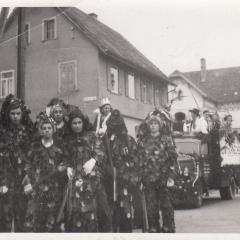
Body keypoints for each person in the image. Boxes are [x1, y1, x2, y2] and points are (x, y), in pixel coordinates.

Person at [61, 109, 112, 232]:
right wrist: (68, 166)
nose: (77, 125)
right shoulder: (68, 140)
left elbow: (101, 152)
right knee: (76, 211)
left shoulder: (92, 135)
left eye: (79, 122)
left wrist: (94, 160)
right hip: (75, 178)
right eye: (74, 123)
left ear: (83, 123)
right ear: (70, 125)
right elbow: (66, 157)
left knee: (99, 209)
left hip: (93, 177)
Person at [137, 109, 178, 233]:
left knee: (167, 208)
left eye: (155, 123)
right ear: (148, 126)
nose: (153, 125)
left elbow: (173, 160)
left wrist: (171, 177)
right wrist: (140, 179)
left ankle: (168, 231)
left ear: (160, 125)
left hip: (164, 180)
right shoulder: (143, 142)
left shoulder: (167, 140)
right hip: (149, 181)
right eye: (151, 123)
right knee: (151, 209)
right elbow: (139, 162)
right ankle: (154, 231)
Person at [23, 113, 66, 232]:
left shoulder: (59, 147)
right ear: (40, 130)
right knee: (35, 216)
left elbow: (63, 164)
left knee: (51, 216)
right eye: (44, 128)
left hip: (53, 187)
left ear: (53, 130)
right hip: (37, 187)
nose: (47, 130)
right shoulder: (35, 147)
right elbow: (28, 164)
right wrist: (29, 181)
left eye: (49, 128)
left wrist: (62, 169)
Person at [0, 94, 33, 232]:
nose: (15, 116)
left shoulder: (28, 131)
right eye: (12, 113)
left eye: (18, 113)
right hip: (6, 175)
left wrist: (28, 174)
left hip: (22, 176)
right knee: (5, 213)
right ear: (8, 114)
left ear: (22, 114)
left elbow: (32, 155)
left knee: (21, 212)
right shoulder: (2, 132)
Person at [104, 109, 139, 232]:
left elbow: (135, 161)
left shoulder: (129, 140)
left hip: (125, 182)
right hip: (109, 182)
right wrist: (108, 170)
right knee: (111, 211)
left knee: (125, 210)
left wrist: (131, 177)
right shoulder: (105, 141)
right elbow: (101, 160)